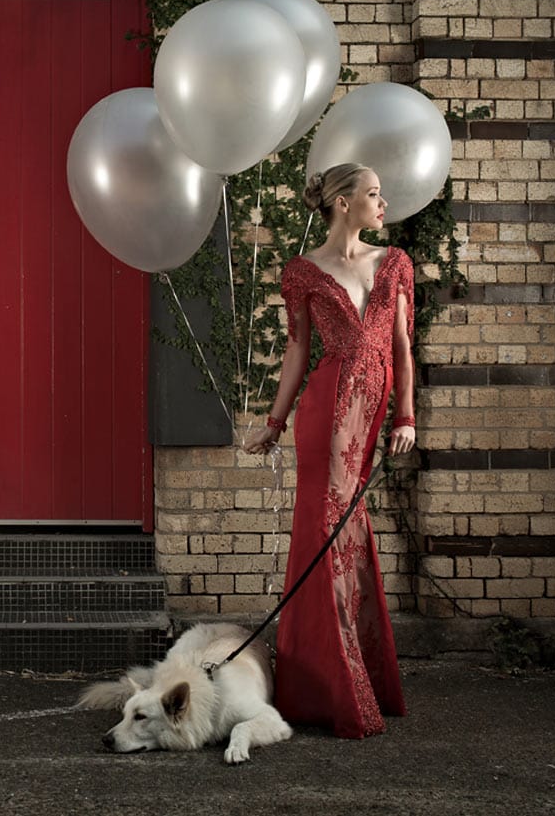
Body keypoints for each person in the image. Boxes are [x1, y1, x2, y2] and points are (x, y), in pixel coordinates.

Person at [241, 162, 414, 738]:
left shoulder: (393, 264)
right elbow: (297, 352)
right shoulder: (303, 272)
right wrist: (274, 420)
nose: (382, 202)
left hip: (370, 413)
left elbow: (403, 350)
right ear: (343, 203)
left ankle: (348, 673)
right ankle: (333, 685)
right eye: (373, 193)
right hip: (323, 413)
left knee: (349, 530)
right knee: (325, 528)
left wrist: (405, 416)